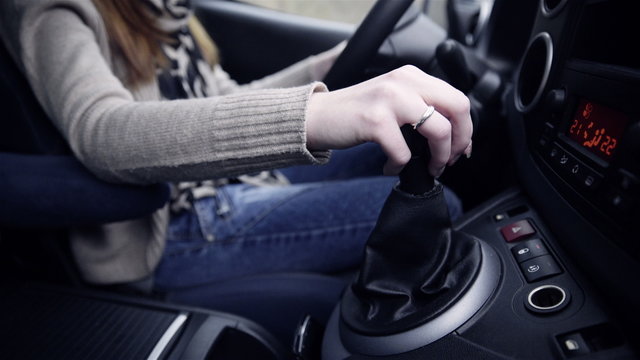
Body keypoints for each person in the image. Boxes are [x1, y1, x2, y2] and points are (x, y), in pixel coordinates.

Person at [0, 0, 472, 343]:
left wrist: (329, 67)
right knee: (437, 207)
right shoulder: (53, 12)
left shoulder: (162, 11)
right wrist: (316, 115)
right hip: (175, 222)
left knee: (402, 151)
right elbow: (104, 132)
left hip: (221, 178)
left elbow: (221, 99)